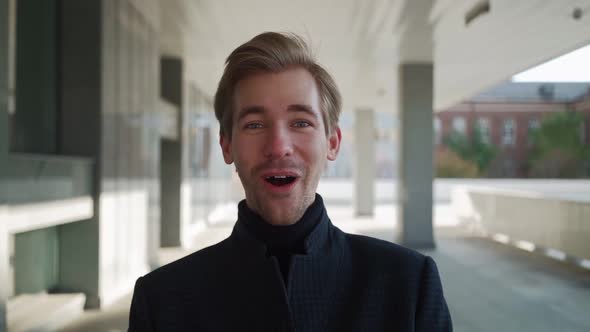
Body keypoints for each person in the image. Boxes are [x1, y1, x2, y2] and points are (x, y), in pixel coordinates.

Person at [128, 32, 452, 332]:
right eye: (255, 125)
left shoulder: (408, 285)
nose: (278, 146)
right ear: (227, 145)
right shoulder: (161, 301)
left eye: (300, 122)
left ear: (333, 143)